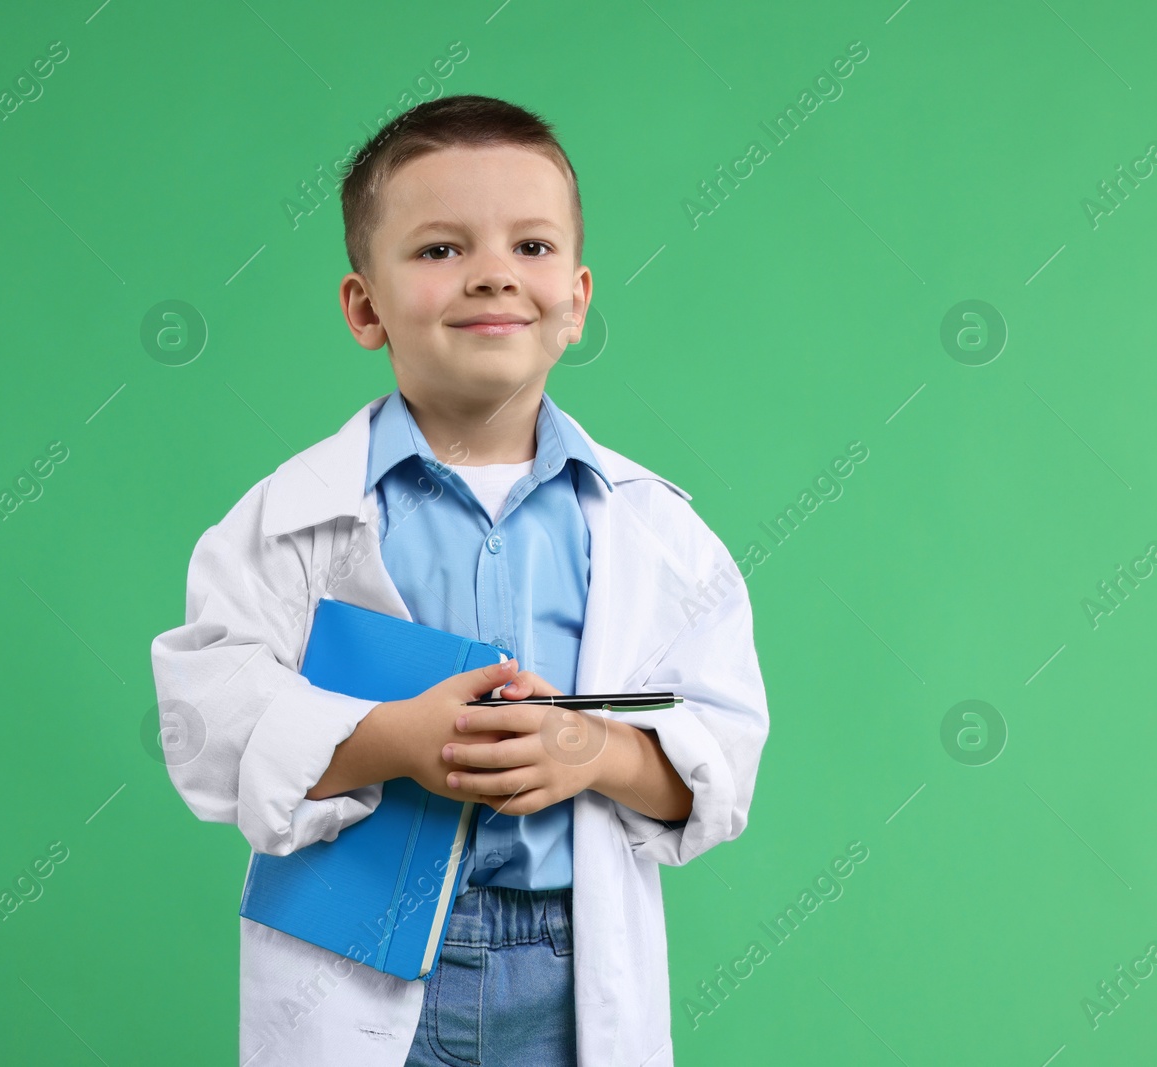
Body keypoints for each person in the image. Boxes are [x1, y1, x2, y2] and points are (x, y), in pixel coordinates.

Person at [149, 94, 769, 1067]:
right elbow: (206, 725)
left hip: (564, 960)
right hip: (357, 960)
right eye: (439, 250)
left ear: (576, 297)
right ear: (364, 307)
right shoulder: (286, 517)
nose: (491, 275)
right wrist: (393, 738)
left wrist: (589, 748)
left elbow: (719, 758)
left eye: (530, 247)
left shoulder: (657, 533)